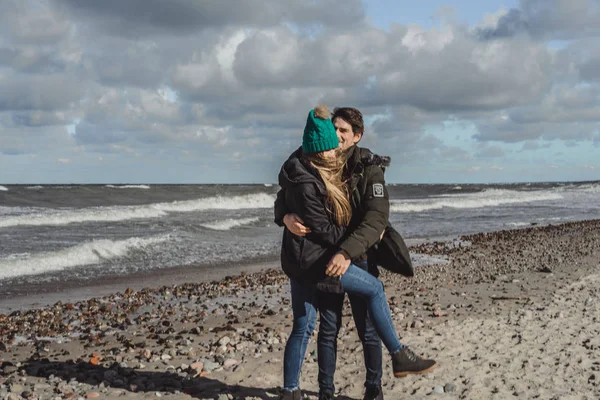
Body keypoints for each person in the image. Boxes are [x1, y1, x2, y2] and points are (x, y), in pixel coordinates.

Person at [276, 105, 436, 400]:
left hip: (357, 256)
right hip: (325, 255)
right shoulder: (314, 158)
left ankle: (373, 389)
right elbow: (287, 193)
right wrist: (284, 217)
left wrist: (347, 251)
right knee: (328, 327)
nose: (336, 136)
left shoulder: (367, 167)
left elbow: (376, 218)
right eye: (333, 129)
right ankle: (326, 391)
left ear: (357, 136)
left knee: (367, 330)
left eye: (343, 131)